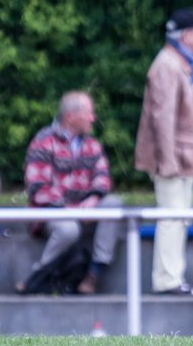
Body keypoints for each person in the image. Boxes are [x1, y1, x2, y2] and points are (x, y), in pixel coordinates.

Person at [135, 7, 193, 296]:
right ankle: (167, 281)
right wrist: (167, 161)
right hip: (173, 158)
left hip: (184, 155)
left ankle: (174, 278)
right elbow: (162, 118)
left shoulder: (184, 62)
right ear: (186, 35)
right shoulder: (167, 65)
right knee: (170, 217)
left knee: (180, 217)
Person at [22, 91, 123, 295]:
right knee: (69, 229)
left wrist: (94, 198)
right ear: (70, 116)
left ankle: (94, 274)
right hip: (54, 213)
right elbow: (38, 188)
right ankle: (38, 274)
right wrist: (73, 210)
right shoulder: (43, 142)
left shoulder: (91, 144)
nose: (93, 118)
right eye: (89, 113)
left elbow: (103, 176)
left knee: (113, 204)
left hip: (85, 210)